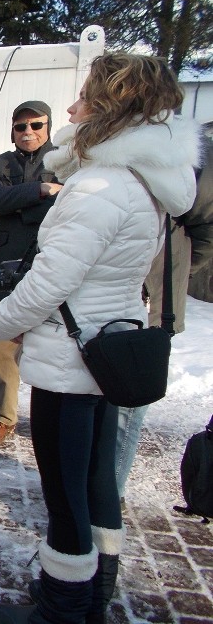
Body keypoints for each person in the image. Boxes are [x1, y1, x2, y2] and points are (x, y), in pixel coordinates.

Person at [0, 53, 198, 624]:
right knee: (97, 484)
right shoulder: (144, 182)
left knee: (65, 495)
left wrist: (0, 323)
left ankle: (63, 607)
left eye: (84, 97)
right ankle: (95, 591)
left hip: (69, 361)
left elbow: (51, 281)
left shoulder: (99, 185)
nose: (71, 109)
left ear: (109, 107)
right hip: (105, 352)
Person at [114, 138, 213, 499]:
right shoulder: (106, 145)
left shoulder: (189, 150)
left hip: (159, 290)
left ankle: (110, 490)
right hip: (113, 282)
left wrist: (175, 272)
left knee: (131, 394)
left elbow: (205, 225)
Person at [0, 101, 62, 445]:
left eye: (36, 125)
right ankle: (4, 416)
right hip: (7, 265)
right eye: (20, 126)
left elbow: (69, 201)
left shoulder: (66, 160)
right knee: (4, 347)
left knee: (55, 346)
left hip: (51, 264)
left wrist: (18, 201)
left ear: (48, 126)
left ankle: (53, 419)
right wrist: (40, 191)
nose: (28, 132)